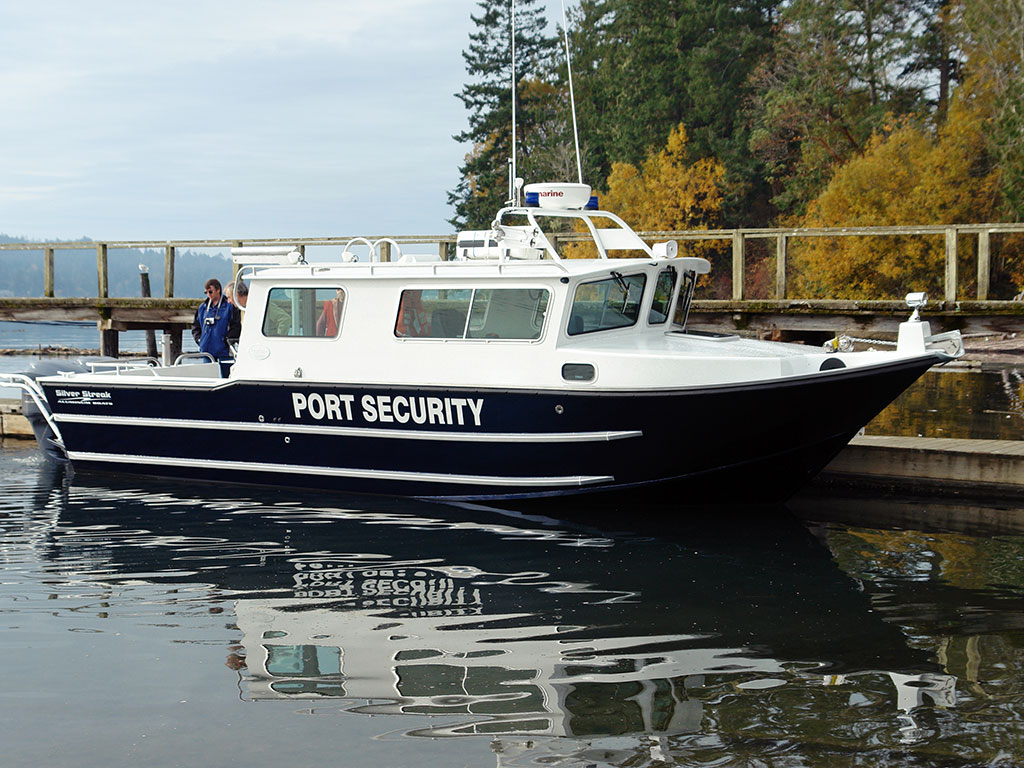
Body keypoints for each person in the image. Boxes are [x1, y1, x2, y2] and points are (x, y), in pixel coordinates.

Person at [191, 278, 240, 360]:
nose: (208, 295)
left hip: (224, 352)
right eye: (206, 292)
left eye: (210, 292)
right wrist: (200, 340)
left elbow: (236, 326)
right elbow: (196, 326)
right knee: (207, 372)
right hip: (206, 351)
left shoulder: (230, 306)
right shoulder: (203, 308)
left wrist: (226, 340)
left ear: (218, 290)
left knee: (225, 372)